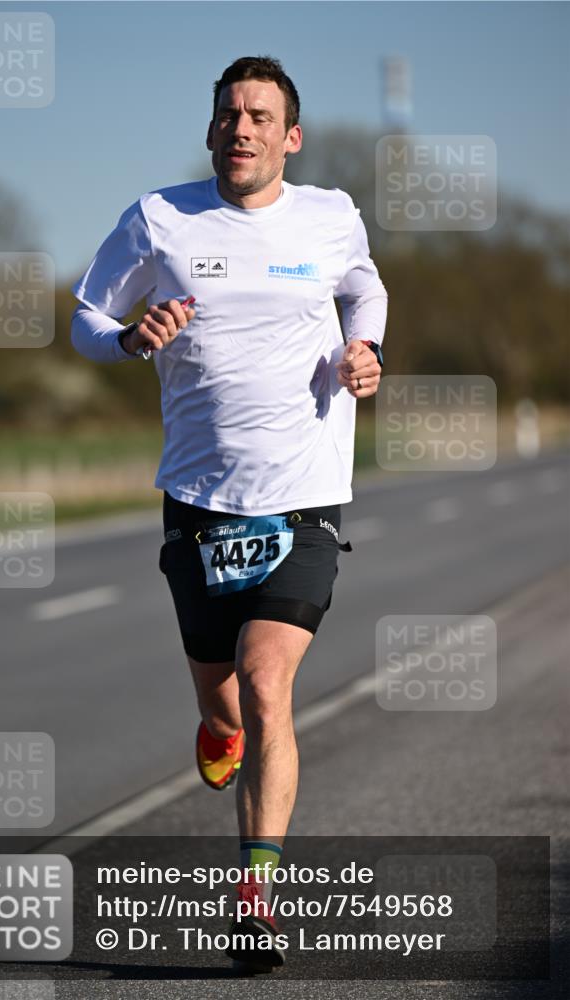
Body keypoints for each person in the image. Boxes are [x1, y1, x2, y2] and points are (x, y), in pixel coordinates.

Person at [71, 55, 387, 971]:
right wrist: (132, 337)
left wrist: (363, 345)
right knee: (224, 701)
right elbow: (87, 317)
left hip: (305, 493)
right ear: (211, 128)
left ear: (289, 136)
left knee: (265, 678)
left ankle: (256, 894)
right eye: (227, 114)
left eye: (259, 115)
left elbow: (363, 286)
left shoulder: (329, 215)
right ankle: (216, 731)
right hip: (201, 499)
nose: (240, 128)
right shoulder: (158, 218)